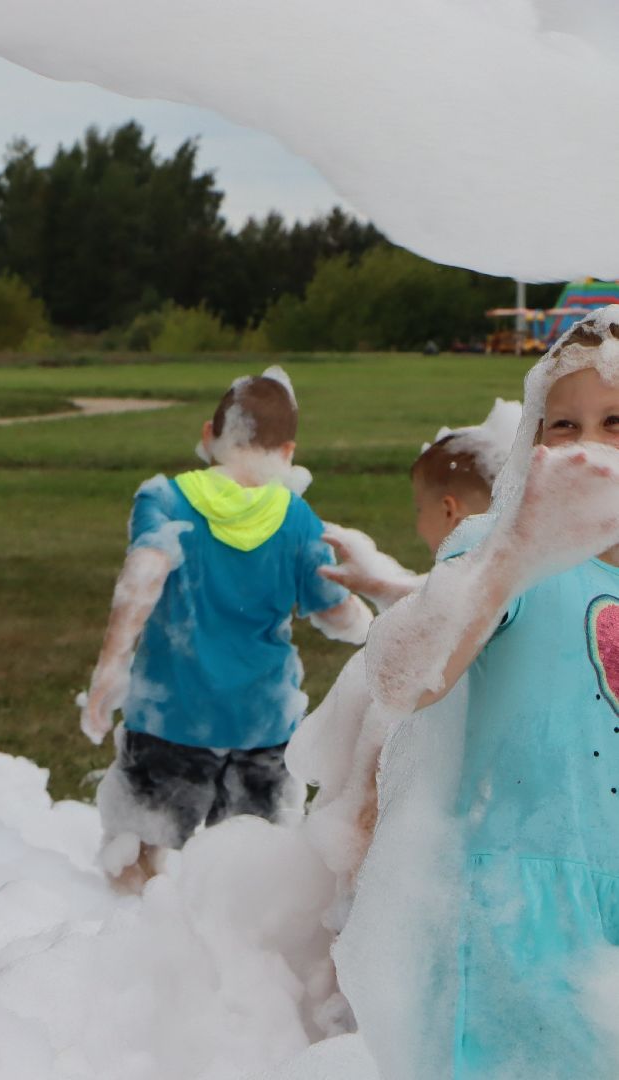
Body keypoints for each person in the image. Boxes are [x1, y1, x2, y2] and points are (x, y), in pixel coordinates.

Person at [350, 307, 619, 1075]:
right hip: (517, 907)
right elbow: (399, 677)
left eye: (615, 420)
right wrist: (514, 553)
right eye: (561, 426)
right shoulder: (497, 552)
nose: (588, 446)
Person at [81, 369, 373, 891]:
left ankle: (136, 956)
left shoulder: (166, 500)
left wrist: (108, 672)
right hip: (263, 724)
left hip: (170, 718)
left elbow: (143, 577)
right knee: (253, 880)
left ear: (208, 434)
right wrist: (366, 621)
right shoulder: (298, 518)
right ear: (287, 451)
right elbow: (338, 614)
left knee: (135, 867)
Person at [289, 402, 516, 907]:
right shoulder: (516, 569)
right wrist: (379, 583)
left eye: (420, 510)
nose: (417, 526)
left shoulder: (472, 583)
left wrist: (358, 823)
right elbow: (451, 606)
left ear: (450, 509)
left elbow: (390, 718)